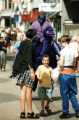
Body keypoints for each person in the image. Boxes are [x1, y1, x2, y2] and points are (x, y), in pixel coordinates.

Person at [11, 29, 39, 119]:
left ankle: (22, 112)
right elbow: (29, 58)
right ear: (33, 36)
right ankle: (30, 113)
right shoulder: (30, 44)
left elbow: (19, 55)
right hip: (27, 70)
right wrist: (32, 71)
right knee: (29, 92)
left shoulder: (22, 43)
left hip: (20, 70)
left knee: (22, 91)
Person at [58, 35, 79, 118]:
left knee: (64, 94)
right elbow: (75, 62)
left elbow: (62, 63)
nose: (60, 44)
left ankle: (65, 112)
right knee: (72, 93)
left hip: (64, 73)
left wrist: (58, 63)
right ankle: (77, 110)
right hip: (72, 73)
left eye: (61, 42)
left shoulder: (63, 51)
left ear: (64, 42)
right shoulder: (74, 50)